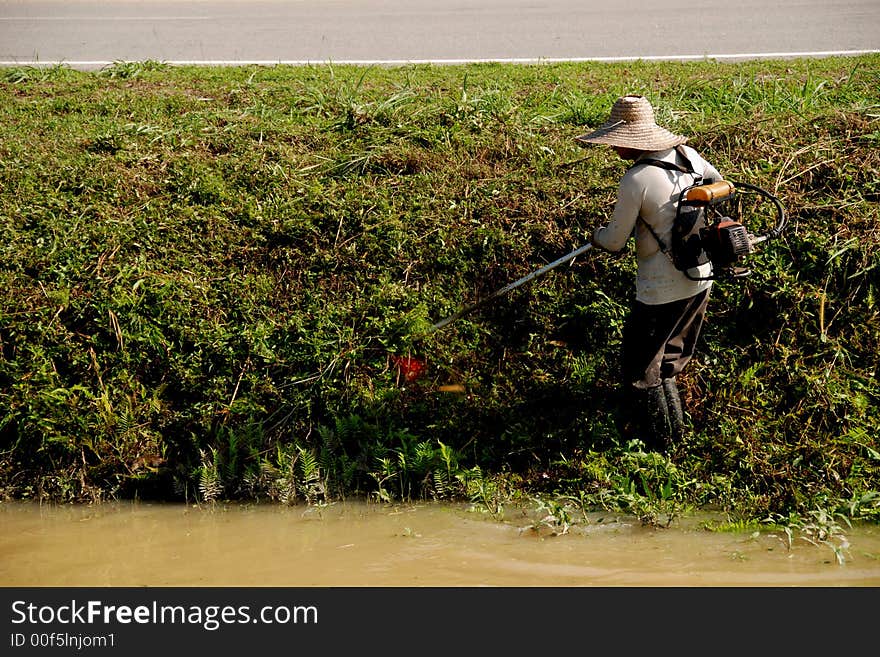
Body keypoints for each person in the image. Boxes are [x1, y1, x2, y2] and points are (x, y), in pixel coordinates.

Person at [575, 94, 724, 452]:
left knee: (640, 370)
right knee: (667, 363)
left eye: (615, 141)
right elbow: (718, 184)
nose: (612, 147)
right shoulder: (689, 157)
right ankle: (678, 445)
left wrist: (595, 236)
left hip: (660, 291)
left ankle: (657, 450)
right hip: (699, 278)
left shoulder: (636, 179)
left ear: (630, 140)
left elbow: (613, 242)